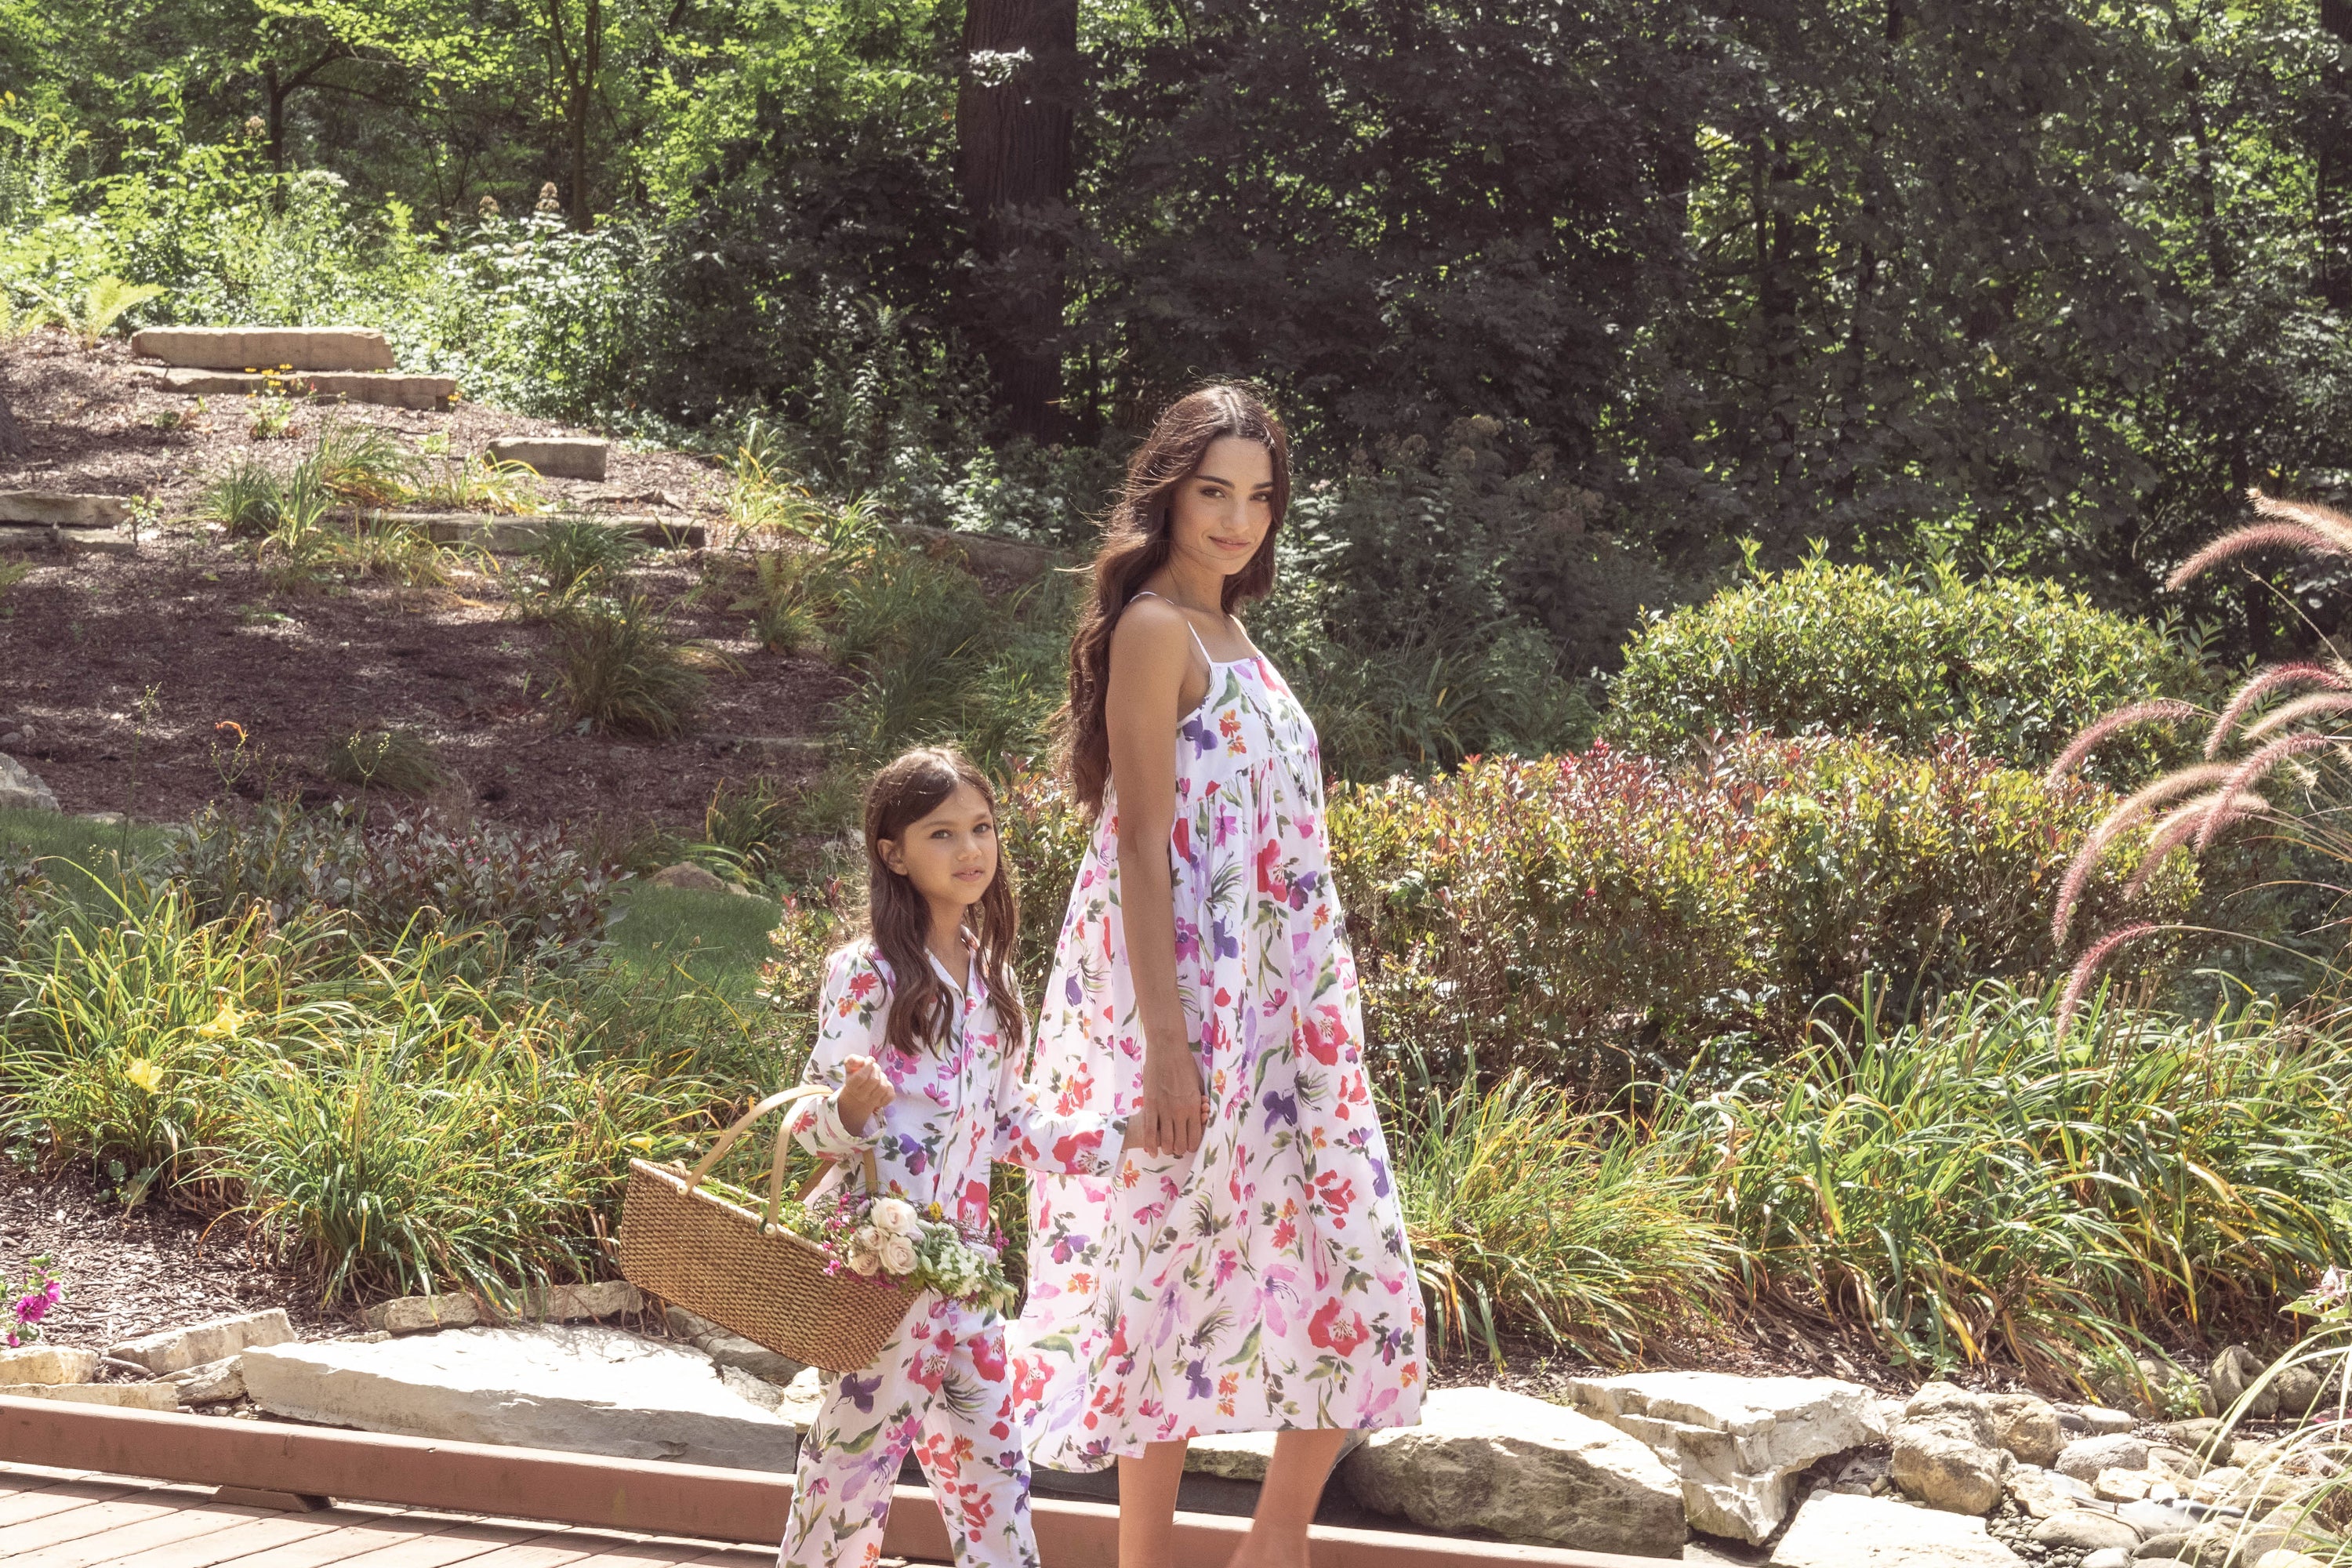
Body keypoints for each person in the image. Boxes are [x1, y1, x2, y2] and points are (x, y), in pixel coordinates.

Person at [1012, 386, 1425, 1568]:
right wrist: (1169, 1045)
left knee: (1365, 1273)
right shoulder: (1157, 630)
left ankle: (1271, 1546)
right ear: (1170, 493)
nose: (1238, 520)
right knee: (1165, 1265)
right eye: (1214, 493)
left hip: (1288, 1020)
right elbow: (1142, 841)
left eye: (1259, 497)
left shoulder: (1240, 636)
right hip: (1192, 1006)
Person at [777, 746, 1122, 1568]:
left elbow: (1010, 1125)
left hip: (966, 1281)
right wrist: (849, 1108)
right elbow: (804, 1126)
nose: (971, 849)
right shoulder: (866, 975)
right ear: (894, 852)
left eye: (982, 828)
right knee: (847, 1477)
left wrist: (1126, 1139)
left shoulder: (993, 975)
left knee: (997, 1477)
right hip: (879, 1279)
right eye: (942, 833)